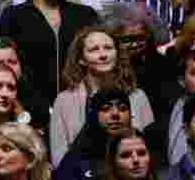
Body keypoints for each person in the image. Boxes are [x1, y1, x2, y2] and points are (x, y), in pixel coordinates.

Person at [0, 0, 100, 119]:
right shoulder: (13, 16)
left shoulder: (86, 15)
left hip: (81, 110)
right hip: (30, 113)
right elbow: (3, 68)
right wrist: (21, 112)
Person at [49, 26, 155, 167]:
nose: (103, 55)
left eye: (108, 48)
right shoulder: (64, 100)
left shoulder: (137, 96)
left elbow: (151, 148)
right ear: (81, 59)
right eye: (94, 50)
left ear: (117, 53)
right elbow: (59, 158)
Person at [53, 91, 140, 180]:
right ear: (94, 115)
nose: (115, 114)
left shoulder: (140, 153)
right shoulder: (76, 162)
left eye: (122, 108)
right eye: (106, 109)